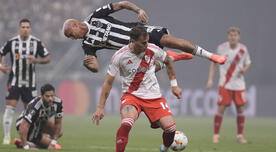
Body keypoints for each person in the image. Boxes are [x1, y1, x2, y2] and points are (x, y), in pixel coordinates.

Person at [63, 1, 226, 73]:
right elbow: (96, 67)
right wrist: (89, 66)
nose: (73, 38)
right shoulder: (87, 44)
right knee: (147, 71)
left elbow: (122, 4)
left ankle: (210, 56)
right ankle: (170, 58)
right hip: (134, 51)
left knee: (169, 41)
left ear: (76, 25)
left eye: (71, 34)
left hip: (139, 30)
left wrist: (138, 10)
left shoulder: (95, 17)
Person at [92, 25, 182, 152]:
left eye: (147, 41)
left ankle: (164, 148)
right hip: (131, 96)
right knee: (126, 123)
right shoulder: (120, 56)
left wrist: (174, 85)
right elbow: (108, 83)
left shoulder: (153, 49)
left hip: (153, 97)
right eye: (143, 43)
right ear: (133, 41)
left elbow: (168, 60)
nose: (146, 45)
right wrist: (100, 107)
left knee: (171, 129)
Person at [0, 18, 51, 144]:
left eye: (27, 27)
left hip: (30, 84)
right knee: (9, 109)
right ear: (19, 28)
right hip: (14, 81)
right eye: (23, 27)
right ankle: (6, 137)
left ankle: (32, 135)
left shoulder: (36, 42)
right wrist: (0, 66)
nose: (25, 29)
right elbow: (1, 53)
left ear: (30, 29)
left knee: (31, 112)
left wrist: (37, 60)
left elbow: (48, 57)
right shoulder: (12, 42)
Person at [206, 27, 251, 143]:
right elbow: (214, 63)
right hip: (225, 84)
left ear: (238, 37)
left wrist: (244, 70)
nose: (233, 37)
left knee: (240, 109)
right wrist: (210, 79)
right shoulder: (221, 48)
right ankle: (216, 135)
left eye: (235, 35)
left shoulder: (243, 50)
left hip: (239, 85)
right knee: (221, 108)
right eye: (231, 35)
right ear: (228, 36)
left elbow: (247, 63)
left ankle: (240, 135)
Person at [13, 84, 63, 150]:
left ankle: (27, 142)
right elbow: (24, 126)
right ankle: (25, 143)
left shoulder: (58, 103)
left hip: (40, 123)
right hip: (25, 124)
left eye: (52, 96)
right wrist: (26, 148)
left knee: (59, 132)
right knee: (45, 146)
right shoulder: (35, 106)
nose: (50, 99)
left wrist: (53, 143)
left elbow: (58, 123)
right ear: (42, 96)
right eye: (47, 96)